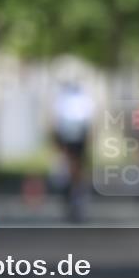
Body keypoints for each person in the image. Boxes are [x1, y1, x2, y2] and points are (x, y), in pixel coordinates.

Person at [50, 80, 94, 222]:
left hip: (74, 135)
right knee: (74, 168)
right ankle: (74, 195)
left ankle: (75, 196)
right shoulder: (73, 99)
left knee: (74, 168)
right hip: (73, 135)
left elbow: (55, 121)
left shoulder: (67, 99)